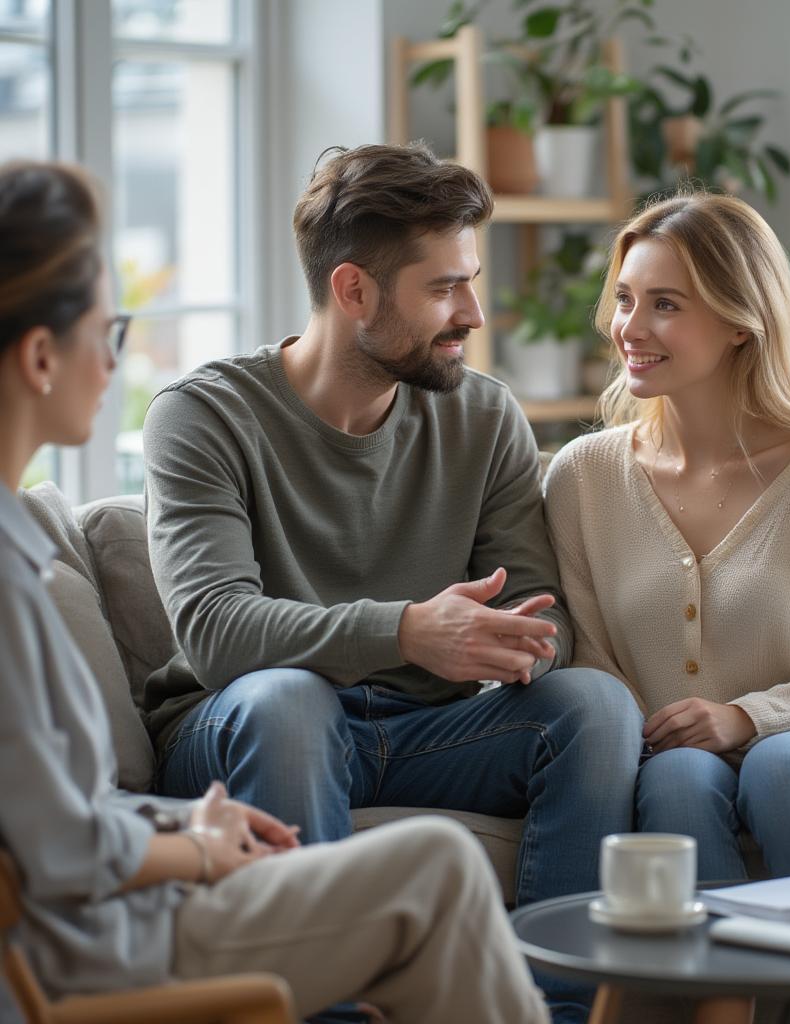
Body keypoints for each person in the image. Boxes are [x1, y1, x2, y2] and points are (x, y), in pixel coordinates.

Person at [0, 158, 551, 1024]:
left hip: (120, 906)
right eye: (110, 333)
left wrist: (179, 829)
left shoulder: (19, 554)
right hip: (101, 941)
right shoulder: (15, 575)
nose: (117, 362)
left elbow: (52, 814)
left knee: (552, 747)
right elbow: (59, 846)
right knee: (425, 856)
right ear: (40, 355)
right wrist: (194, 847)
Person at [141, 142, 643, 1022]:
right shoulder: (205, 416)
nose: (474, 312)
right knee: (287, 703)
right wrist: (408, 631)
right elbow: (216, 630)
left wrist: (518, 639)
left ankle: (555, 1014)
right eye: (444, 288)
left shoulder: (483, 415)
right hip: (244, 728)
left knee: (596, 709)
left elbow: (544, 612)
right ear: (353, 291)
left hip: (429, 729)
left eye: (471, 280)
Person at [543, 191, 790, 1024]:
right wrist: (681, 735)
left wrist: (747, 718)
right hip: (673, 753)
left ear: (740, 324)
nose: (629, 327)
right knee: (679, 780)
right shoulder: (581, 476)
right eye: (625, 298)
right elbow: (590, 664)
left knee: (785, 768)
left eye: (666, 305)